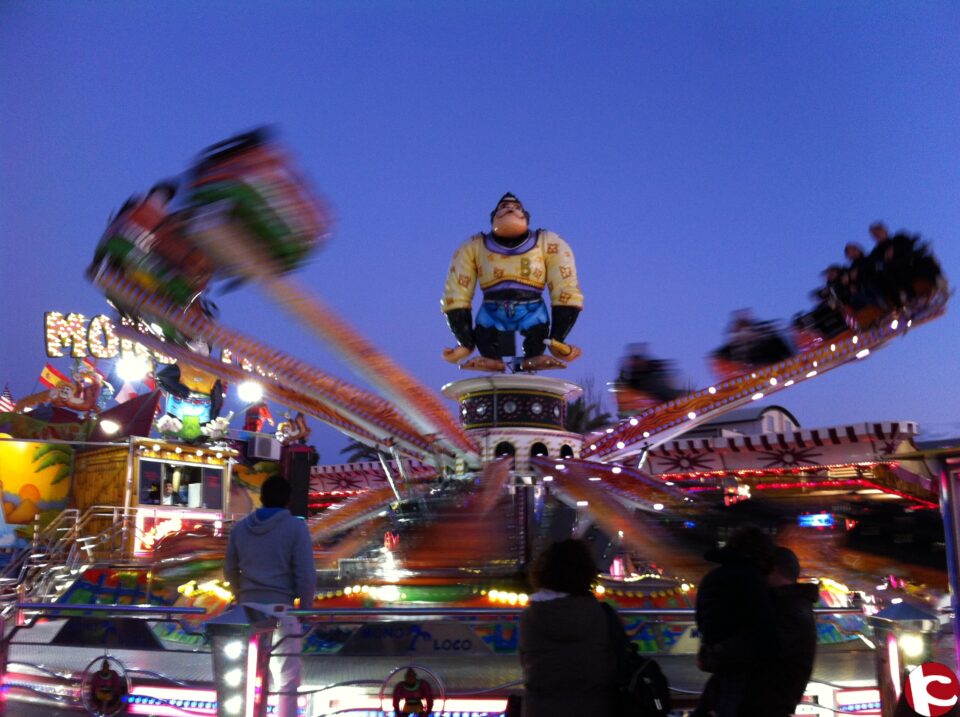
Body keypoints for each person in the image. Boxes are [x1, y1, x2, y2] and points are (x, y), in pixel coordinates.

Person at [440, 193, 584, 372]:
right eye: (503, 207)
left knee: (537, 334)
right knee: (485, 335)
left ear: (526, 217)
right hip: (491, 312)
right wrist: (465, 341)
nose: (510, 209)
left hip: (532, 310)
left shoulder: (548, 242)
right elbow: (456, 292)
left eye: (517, 208)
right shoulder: (473, 246)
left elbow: (566, 288)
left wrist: (558, 338)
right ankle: (493, 359)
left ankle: (531, 357)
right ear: (493, 218)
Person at [224, 475, 317, 717]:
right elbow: (306, 573)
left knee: (243, 676)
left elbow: (230, 569)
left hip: (245, 612)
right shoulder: (296, 527)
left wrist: (240, 594)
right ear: (288, 500)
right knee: (286, 680)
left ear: (262, 498)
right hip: (281, 610)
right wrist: (305, 609)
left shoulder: (240, 528)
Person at [519, 538, 617, 717]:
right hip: (593, 706)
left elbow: (526, 662)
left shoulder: (531, 615)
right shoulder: (598, 613)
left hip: (541, 707)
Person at [693, 526, 779, 717]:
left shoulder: (712, 577)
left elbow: (701, 618)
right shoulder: (752, 579)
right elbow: (764, 627)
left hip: (718, 655)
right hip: (744, 662)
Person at [739, 546, 819, 717]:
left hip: (766, 704)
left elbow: (759, 650)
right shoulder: (792, 605)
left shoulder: (788, 609)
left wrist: (719, 652)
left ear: (773, 570)